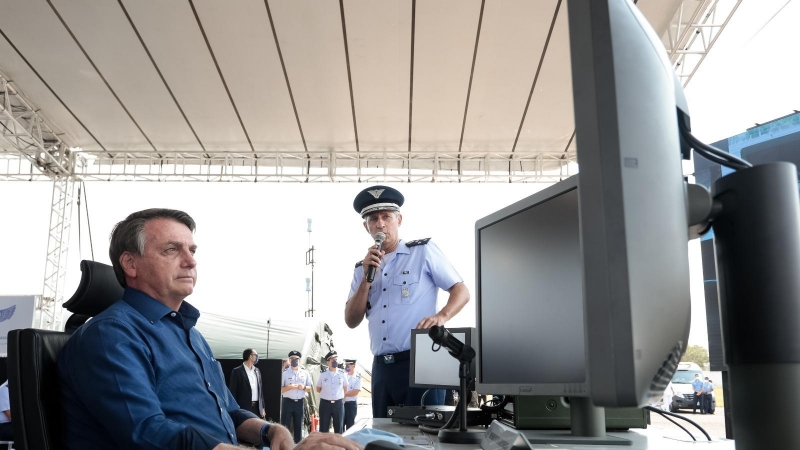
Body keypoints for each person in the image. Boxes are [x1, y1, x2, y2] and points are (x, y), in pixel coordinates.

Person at [57, 208, 360, 450]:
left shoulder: (192, 335)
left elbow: (229, 412)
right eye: (171, 250)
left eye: (192, 250)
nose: (190, 261)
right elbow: (146, 433)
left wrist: (272, 431)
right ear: (130, 264)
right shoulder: (111, 336)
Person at [344, 185, 470, 418]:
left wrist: (441, 317)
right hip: (382, 368)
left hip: (420, 361)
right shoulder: (361, 268)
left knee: (424, 437)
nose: (380, 224)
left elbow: (461, 290)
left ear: (398, 220)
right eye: (373, 219)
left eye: (386, 217)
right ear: (366, 226)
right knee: (384, 437)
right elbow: (351, 320)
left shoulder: (422, 252)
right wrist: (366, 279)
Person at [280, 350, 312, 443]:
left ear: (300, 360)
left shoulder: (304, 373)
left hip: (299, 403)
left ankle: (298, 446)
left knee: (298, 426)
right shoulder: (285, 373)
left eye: (296, 359)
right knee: (285, 426)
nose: (294, 360)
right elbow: (281, 389)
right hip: (287, 402)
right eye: (292, 359)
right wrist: (289, 387)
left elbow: (309, 388)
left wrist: (304, 387)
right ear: (289, 360)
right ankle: (284, 445)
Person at [229, 349, 265, 418]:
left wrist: (262, 407)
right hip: (244, 407)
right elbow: (233, 391)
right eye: (256, 355)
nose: (257, 357)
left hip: (257, 408)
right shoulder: (237, 371)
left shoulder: (257, 371)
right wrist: (234, 408)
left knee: (256, 428)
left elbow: (260, 391)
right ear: (250, 356)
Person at [317, 351, 347, 433]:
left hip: (338, 404)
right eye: (332, 359)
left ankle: (339, 445)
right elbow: (318, 389)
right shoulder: (323, 374)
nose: (334, 361)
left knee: (339, 428)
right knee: (323, 428)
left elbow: (345, 387)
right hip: (325, 404)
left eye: (336, 359)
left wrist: (342, 399)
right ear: (328, 362)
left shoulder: (342, 373)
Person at [343, 359, 362, 430]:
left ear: (353, 366)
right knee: (340, 425)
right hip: (341, 404)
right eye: (346, 365)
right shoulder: (342, 375)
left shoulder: (357, 377)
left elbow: (355, 392)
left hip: (351, 405)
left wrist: (343, 394)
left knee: (350, 425)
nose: (346, 367)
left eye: (348, 365)